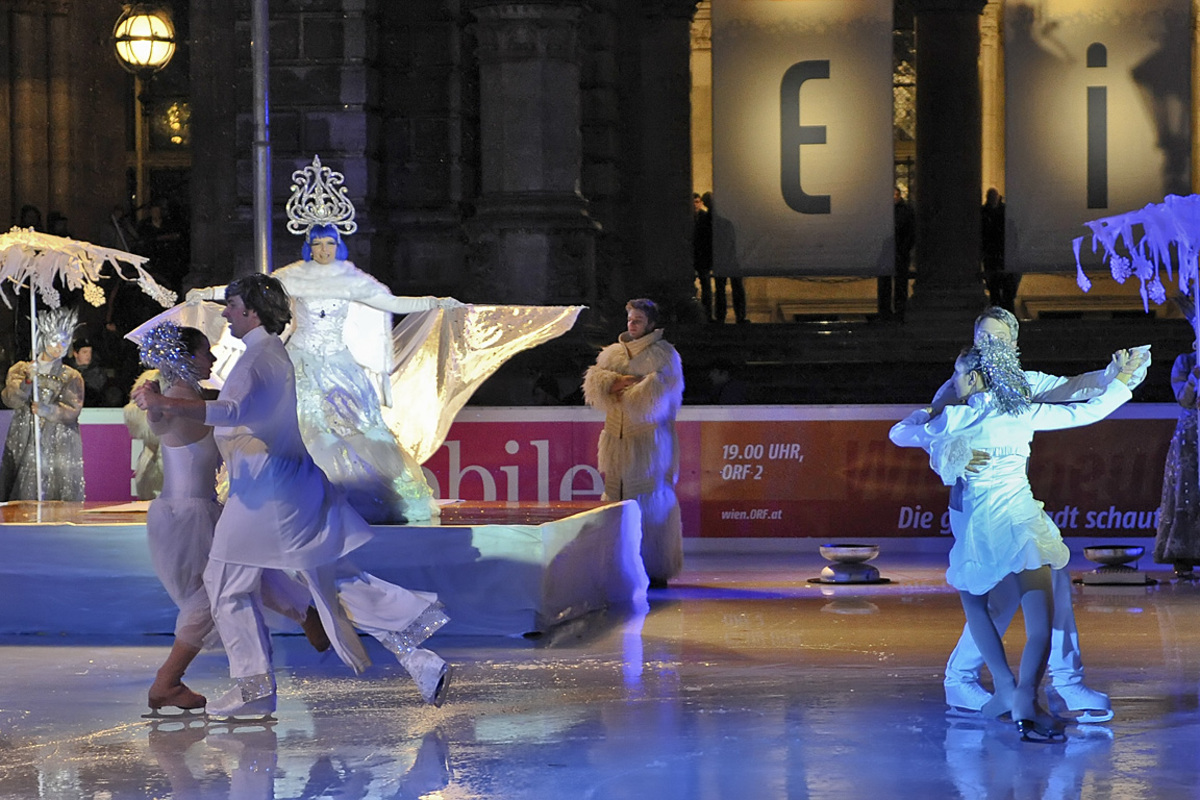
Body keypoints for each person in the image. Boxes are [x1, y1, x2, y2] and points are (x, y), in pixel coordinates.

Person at [134, 274, 452, 719]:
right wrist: (164, 400)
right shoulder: (262, 355)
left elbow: (234, 410)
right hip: (273, 492)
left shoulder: (260, 358)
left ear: (252, 312)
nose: (226, 314)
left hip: (265, 497)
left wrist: (167, 404)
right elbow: (228, 407)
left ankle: (256, 688)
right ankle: (417, 658)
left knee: (229, 586)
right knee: (321, 580)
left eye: (232, 306)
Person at [188, 160, 464, 524]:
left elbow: (393, 303)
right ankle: (298, 499)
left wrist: (434, 302)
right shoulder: (293, 277)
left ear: (339, 244)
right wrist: (209, 292)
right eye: (317, 243)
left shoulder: (351, 279)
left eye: (330, 243)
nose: (324, 249)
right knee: (303, 428)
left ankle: (348, 497)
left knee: (357, 428)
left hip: (339, 365)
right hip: (300, 362)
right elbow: (253, 290)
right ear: (308, 246)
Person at [891, 338, 1138, 741]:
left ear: (974, 377)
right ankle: (1026, 699)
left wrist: (932, 412)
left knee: (977, 605)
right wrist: (1122, 381)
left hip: (981, 530)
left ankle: (1005, 687)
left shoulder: (955, 418)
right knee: (1040, 621)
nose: (954, 381)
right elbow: (1087, 411)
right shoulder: (1022, 411)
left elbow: (900, 433)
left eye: (957, 375)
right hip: (1022, 524)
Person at [136, 323, 329, 715]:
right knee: (214, 593)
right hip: (189, 518)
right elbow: (182, 415)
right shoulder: (176, 400)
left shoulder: (182, 398)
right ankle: (167, 682)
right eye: (204, 351)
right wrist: (154, 401)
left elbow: (209, 409)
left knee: (242, 569)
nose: (212, 357)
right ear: (185, 358)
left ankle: (307, 615)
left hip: (188, 513)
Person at [583, 298, 684, 587]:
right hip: (615, 440)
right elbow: (597, 384)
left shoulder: (665, 354)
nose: (632, 324)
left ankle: (654, 567)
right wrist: (616, 383)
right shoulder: (611, 354)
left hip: (649, 443)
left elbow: (657, 397)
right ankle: (616, 564)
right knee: (615, 499)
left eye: (638, 319)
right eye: (630, 319)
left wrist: (621, 387)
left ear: (651, 323)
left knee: (649, 500)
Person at [0, 307, 85, 502]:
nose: (59, 347)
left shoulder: (71, 376)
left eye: (64, 342)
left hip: (58, 442)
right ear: (44, 338)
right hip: (24, 436)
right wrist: (27, 381)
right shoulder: (20, 369)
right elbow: (10, 400)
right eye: (55, 340)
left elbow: (73, 410)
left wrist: (48, 410)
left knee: (54, 488)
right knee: (24, 488)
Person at [1153, 346, 1200, 578]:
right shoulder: (1186, 361)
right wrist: (1194, 377)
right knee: (1187, 491)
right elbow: (1183, 399)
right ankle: (1183, 556)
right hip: (1191, 435)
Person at [704, 192, 747, 324]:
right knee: (730, 288)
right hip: (726, 257)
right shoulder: (720, 219)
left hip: (723, 258)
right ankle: (735, 316)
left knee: (723, 289)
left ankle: (723, 316)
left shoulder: (709, 219)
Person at [124, 369, 167, 500]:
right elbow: (135, 416)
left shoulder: (185, 382)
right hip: (153, 458)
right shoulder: (151, 378)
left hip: (173, 457)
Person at [981, 188, 1016, 312]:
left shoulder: (987, 213)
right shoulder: (1001, 213)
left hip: (999, 255)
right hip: (995, 256)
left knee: (1003, 292)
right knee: (997, 291)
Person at [693, 192, 714, 322]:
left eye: (697, 202)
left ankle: (707, 314)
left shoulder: (705, 217)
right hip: (691, 256)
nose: (695, 205)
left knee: (706, 286)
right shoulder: (688, 218)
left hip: (702, 256)